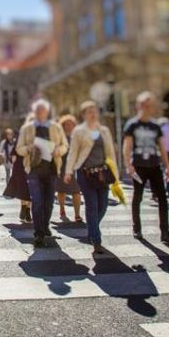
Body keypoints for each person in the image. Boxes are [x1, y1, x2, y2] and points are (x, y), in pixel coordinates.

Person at [123, 92, 169, 246]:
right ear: (138, 106)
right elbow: (127, 146)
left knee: (162, 199)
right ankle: (137, 228)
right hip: (139, 165)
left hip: (154, 165)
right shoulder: (132, 125)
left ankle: (165, 232)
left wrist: (168, 167)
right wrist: (128, 165)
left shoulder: (155, 126)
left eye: (149, 105)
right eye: (143, 104)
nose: (146, 108)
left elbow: (161, 147)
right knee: (138, 197)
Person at [64, 101, 118, 254]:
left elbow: (110, 152)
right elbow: (73, 152)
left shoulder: (104, 130)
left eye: (94, 111)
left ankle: (91, 229)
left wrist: (115, 172)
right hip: (85, 173)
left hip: (102, 173)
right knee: (92, 205)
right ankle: (96, 240)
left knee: (103, 206)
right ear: (83, 115)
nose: (93, 113)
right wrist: (68, 172)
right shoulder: (79, 131)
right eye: (89, 111)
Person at [16, 99, 68, 247]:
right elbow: (19, 149)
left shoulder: (56, 127)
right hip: (33, 170)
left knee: (49, 202)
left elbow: (65, 145)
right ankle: (38, 233)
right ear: (34, 112)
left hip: (52, 169)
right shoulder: (26, 128)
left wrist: (59, 150)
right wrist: (29, 148)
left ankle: (45, 226)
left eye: (42, 110)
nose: (40, 113)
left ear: (47, 112)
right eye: (37, 111)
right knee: (37, 202)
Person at [55, 115, 83, 223]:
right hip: (61, 166)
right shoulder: (59, 136)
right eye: (66, 124)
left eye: (71, 124)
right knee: (61, 191)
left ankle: (77, 214)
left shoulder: (78, 136)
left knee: (76, 191)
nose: (69, 126)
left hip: (75, 167)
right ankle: (62, 209)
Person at [3, 130, 32, 223]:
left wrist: (14, 168)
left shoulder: (19, 141)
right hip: (30, 167)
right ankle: (27, 210)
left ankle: (24, 208)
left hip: (20, 168)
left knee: (24, 189)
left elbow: (13, 157)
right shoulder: (35, 140)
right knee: (30, 190)